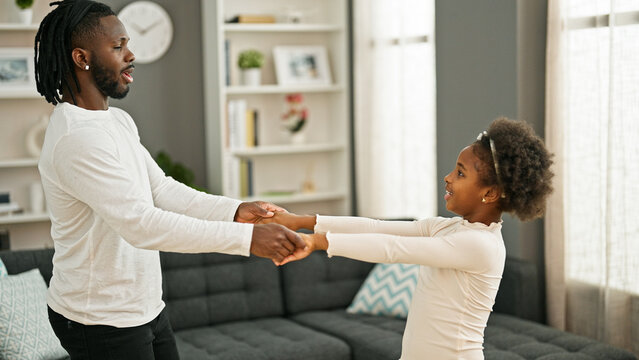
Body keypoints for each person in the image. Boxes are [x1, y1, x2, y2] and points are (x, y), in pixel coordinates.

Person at [34, 1, 304, 359]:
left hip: (144, 307)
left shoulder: (116, 122)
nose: (131, 55)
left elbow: (160, 189)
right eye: (118, 47)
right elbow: (142, 225)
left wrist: (234, 210)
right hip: (98, 318)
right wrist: (247, 239)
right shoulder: (77, 138)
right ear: (82, 58)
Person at [262, 117, 554, 360]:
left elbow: (393, 249)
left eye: (461, 174)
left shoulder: (479, 246)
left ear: (489, 194)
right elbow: (378, 228)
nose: (448, 177)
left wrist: (319, 242)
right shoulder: (452, 229)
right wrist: (299, 221)